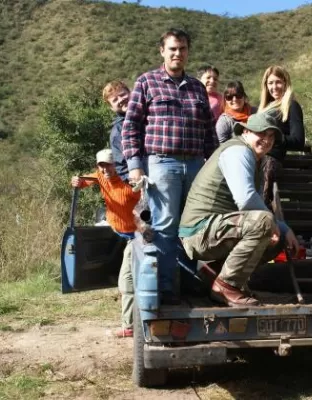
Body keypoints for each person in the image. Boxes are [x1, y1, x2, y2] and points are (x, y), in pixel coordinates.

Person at [122, 28, 218, 305]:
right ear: (162, 51)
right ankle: (166, 290)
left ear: (188, 52)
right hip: (162, 163)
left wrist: (214, 166)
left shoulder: (198, 87)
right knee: (165, 226)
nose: (178, 53)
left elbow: (210, 133)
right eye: (173, 49)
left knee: (198, 225)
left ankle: (193, 285)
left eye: (183, 49)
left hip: (197, 164)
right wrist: (135, 166)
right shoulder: (147, 82)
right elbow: (130, 127)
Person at [179, 112, 300, 307]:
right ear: (246, 131)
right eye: (261, 133)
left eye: (271, 136)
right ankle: (226, 285)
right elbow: (246, 200)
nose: (267, 140)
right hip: (199, 231)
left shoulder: (255, 159)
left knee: (276, 238)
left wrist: (285, 230)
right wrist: (275, 224)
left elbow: (256, 202)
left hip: (214, 229)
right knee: (264, 222)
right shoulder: (239, 151)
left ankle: (217, 272)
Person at [71, 149, 141, 338]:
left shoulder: (132, 183)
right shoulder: (100, 177)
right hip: (116, 234)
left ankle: (130, 326)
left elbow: (145, 207)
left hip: (136, 237)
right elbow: (83, 181)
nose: (105, 169)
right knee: (122, 277)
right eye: (101, 165)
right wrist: (76, 181)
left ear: (118, 164)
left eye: (109, 164)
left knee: (125, 282)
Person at [258, 65, 305, 207]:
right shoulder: (264, 108)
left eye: (278, 82)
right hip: (256, 159)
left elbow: (298, 141)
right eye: (270, 83)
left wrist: (274, 138)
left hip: (270, 162)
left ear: (286, 83)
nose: (274, 87)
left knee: (262, 204)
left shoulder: (292, 106)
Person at [102, 80, 131, 182]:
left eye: (122, 95)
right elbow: (121, 166)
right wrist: (137, 183)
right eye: (115, 100)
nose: (121, 100)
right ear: (111, 108)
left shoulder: (152, 114)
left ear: (130, 93)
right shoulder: (118, 131)